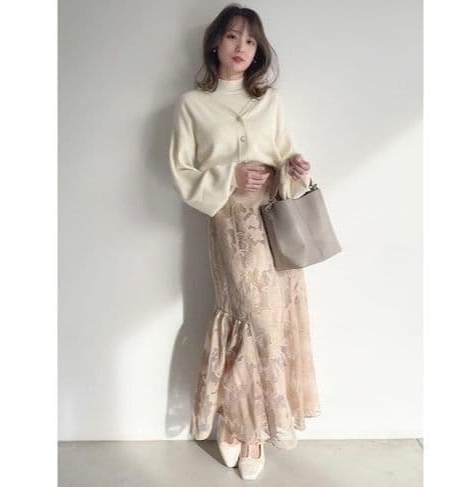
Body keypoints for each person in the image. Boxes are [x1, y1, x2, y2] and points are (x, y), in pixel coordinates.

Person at [168, 4, 321, 480]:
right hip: (230, 225)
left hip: (275, 223)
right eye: (233, 37)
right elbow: (182, 172)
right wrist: (228, 177)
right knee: (250, 321)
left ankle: (244, 427)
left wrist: (294, 169)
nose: (241, 47)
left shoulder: (270, 101)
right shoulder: (192, 105)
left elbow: (284, 154)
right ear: (216, 42)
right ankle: (243, 424)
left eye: (251, 41)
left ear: (258, 51)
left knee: (271, 323)